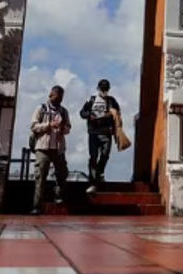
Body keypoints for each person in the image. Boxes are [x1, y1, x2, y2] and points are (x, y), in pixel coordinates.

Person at [30, 85, 71, 214]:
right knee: (40, 176)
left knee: (63, 173)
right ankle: (37, 206)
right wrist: (48, 125)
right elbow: (33, 126)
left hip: (58, 148)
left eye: (61, 97)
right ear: (50, 95)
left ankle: (58, 195)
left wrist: (63, 128)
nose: (59, 100)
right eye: (56, 97)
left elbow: (69, 128)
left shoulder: (64, 111)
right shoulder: (41, 109)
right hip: (43, 147)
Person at [80, 79, 121, 194]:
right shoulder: (91, 99)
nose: (104, 91)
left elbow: (117, 113)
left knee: (105, 155)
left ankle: (99, 173)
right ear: (98, 88)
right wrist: (89, 115)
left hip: (106, 133)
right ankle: (93, 182)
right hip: (93, 132)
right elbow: (82, 113)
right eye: (102, 89)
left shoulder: (112, 101)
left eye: (106, 89)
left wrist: (113, 118)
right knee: (93, 157)